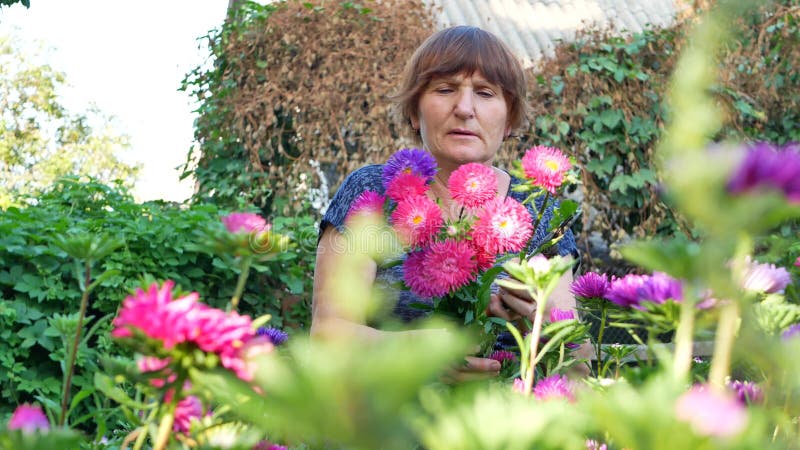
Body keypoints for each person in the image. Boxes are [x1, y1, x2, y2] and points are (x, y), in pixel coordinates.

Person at [311, 26, 585, 378]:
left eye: (486, 93)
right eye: (445, 89)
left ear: (510, 120)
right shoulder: (372, 191)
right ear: (414, 111)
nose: (465, 109)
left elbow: (577, 362)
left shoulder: (538, 210)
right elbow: (328, 333)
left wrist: (542, 319)